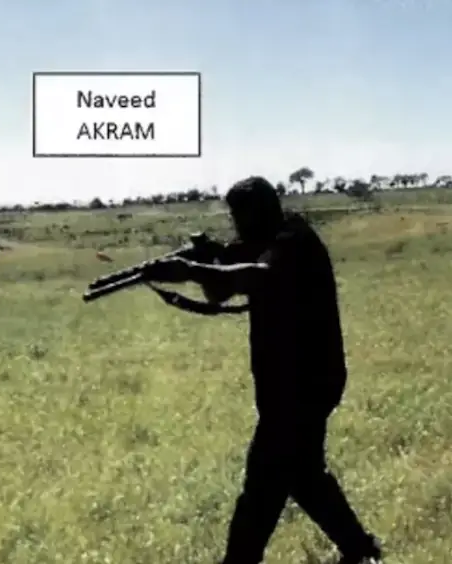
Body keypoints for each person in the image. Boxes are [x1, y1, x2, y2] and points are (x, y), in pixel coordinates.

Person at [141, 176, 384, 564]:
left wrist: (191, 268)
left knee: (263, 484)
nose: (237, 226)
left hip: (304, 386)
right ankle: (359, 550)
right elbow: (221, 292)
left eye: (241, 216)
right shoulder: (265, 245)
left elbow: (258, 276)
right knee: (303, 476)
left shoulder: (293, 241)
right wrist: (207, 260)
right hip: (288, 386)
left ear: (263, 211)